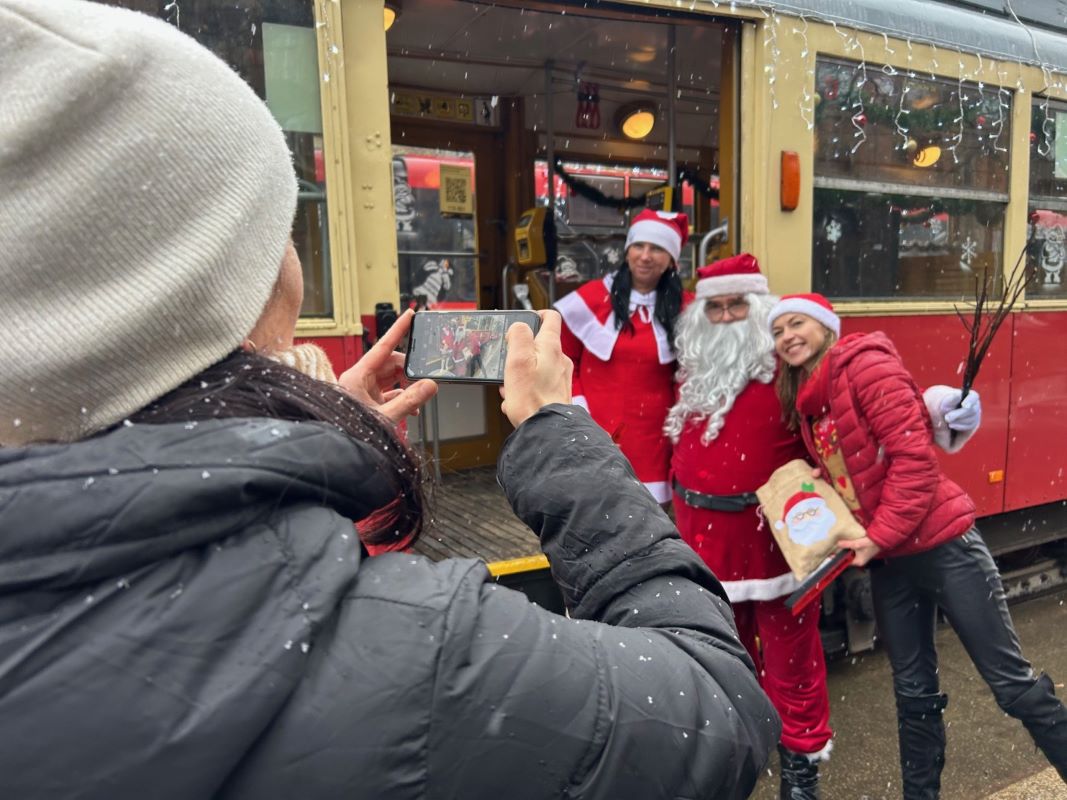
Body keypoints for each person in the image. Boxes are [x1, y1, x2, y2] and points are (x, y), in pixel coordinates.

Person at [0, 2, 780, 797]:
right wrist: (559, 433)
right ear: (247, 278)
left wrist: (298, 445)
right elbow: (711, 713)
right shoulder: (426, 654)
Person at [664, 256, 982, 800]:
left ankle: (800, 774)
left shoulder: (791, 370)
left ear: (758, 308)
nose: (724, 317)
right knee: (723, 654)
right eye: (714, 306)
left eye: (737, 304)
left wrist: (933, 408)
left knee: (792, 660)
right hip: (703, 541)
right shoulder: (694, 369)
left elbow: (856, 406)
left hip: (777, 544)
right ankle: (740, 749)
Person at [768, 293, 1067, 799]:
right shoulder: (810, 398)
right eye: (777, 332)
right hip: (892, 563)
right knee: (913, 696)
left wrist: (874, 536)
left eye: (797, 324)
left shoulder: (863, 366)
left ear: (825, 327)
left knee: (1011, 686)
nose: (787, 337)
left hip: (946, 549)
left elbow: (915, 463)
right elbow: (862, 468)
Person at [554, 208, 688, 502]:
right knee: (597, 512)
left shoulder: (685, 308)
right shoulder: (590, 299)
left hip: (657, 435)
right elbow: (563, 359)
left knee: (651, 520)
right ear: (627, 251)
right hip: (595, 428)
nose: (645, 256)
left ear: (671, 261)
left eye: (657, 248)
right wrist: (578, 407)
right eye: (639, 246)